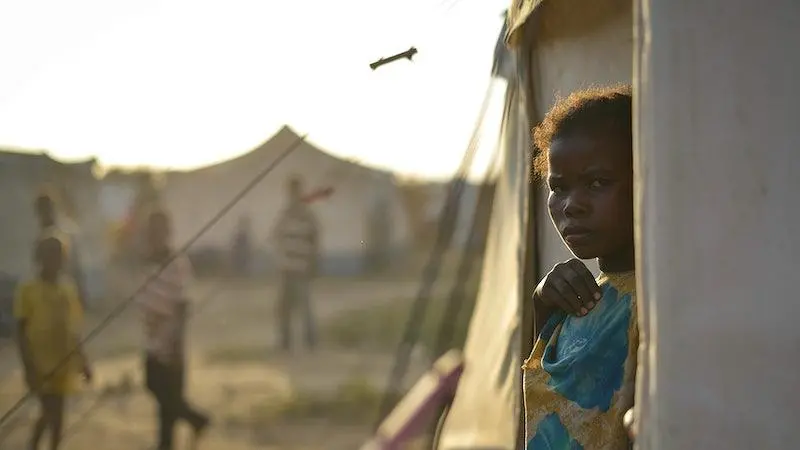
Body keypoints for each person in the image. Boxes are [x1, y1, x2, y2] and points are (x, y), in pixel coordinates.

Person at [523, 85, 637, 449]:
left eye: (597, 182)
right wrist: (542, 308)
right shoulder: (583, 295)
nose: (571, 206)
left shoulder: (659, 300)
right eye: (559, 187)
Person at [136, 209, 209, 450]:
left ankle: (194, 421)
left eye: (159, 231)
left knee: (168, 400)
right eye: (151, 231)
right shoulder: (147, 263)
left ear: (167, 232)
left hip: (171, 341)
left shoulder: (177, 264)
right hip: (151, 339)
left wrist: (176, 343)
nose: (154, 236)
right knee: (156, 389)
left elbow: (182, 306)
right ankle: (193, 421)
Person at [14, 235, 92, 450]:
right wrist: (28, 366)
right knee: (52, 413)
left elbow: (73, 328)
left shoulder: (68, 288)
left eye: (59, 256)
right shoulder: (28, 289)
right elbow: (20, 332)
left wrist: (83, 361)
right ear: (40, 258)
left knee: (54, 415)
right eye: (50, 255)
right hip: (40, 366)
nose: (55, 261)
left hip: (63, 364)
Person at [271, 175, 320, 351]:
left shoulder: (307, 215)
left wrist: (313, 266)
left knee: (305, 308)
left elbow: (315, 241)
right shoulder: (284, 215)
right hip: (286, 269)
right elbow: (276, 236)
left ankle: (311, 343)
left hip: (301, 269)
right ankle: (285, 343)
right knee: (283, 309)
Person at [34, 192, 87, 308]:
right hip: (42, 295)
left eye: (47, 207)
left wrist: (80, 292)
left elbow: (76, 265)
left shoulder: (68, 231)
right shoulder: (36, 234)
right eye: (41, 208)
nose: (44, 212)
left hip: (65, 292)